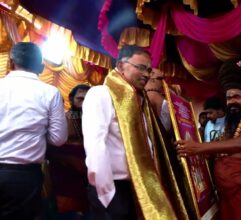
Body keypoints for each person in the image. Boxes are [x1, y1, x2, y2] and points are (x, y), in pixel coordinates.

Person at [82, 45, 187, 220]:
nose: (146, 74)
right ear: (121, 66)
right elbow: (95, 146)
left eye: (148, 69)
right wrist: (107, 195)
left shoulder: (140, 101)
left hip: (139, 186)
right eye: (140, 68)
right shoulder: (101, 94)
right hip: (113, 188)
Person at [176, 55, 241, 220]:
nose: (231, 102)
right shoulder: (232, 123)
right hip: (230, 195)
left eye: (236, 97)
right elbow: (224, 148)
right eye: (228, 98)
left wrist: (197, 148)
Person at [0, 42, 68, 219]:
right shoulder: (50, 92)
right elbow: (58, 138)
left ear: (11, 62)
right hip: (23, 177)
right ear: (42, 67)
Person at [47, 84, 91, 220]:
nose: (84, 103)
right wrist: (72, 161)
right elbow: (51, 148)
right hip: (66, 174)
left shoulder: (96, 120)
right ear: (71, 99)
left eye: (87, 99)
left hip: (89, 176)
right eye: (80, 99)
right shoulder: (64, 119)